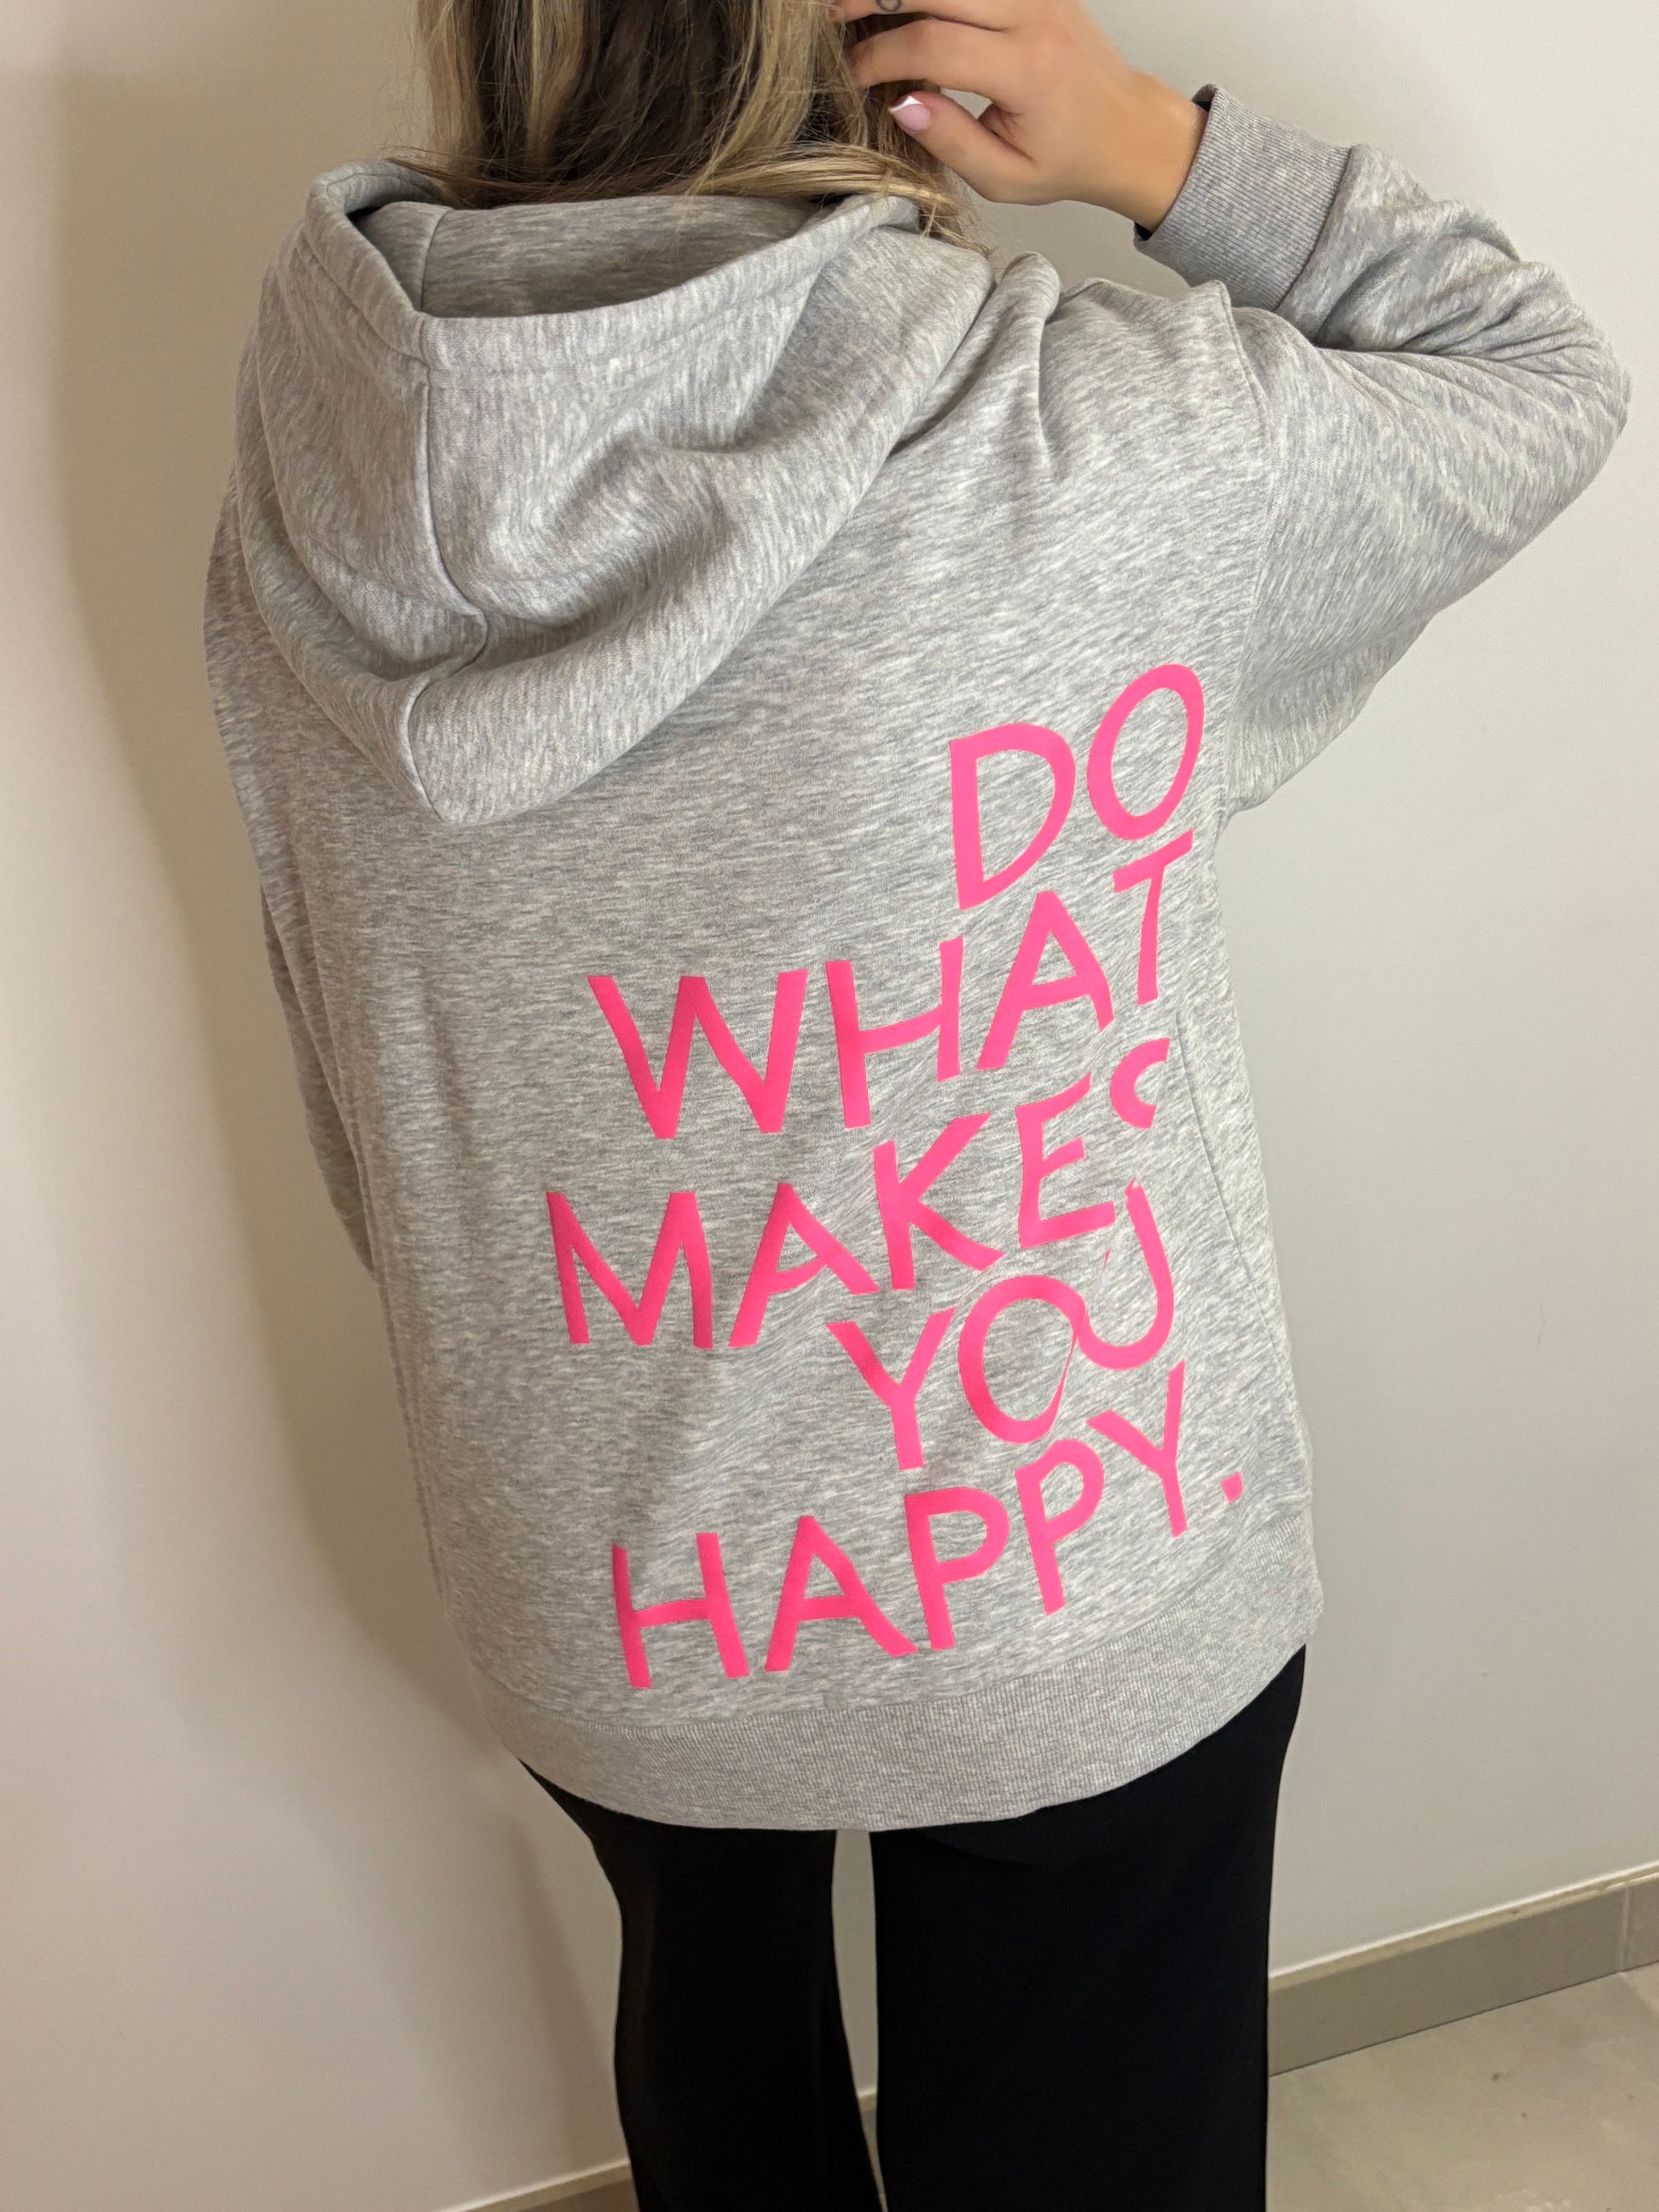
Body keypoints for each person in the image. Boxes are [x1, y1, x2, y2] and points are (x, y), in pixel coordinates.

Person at [201, 2, 1629, 2204]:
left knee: (724, 2085)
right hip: (1069, 1567)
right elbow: (1532, 373)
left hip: (607, 1563)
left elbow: (350, 1042)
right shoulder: (1085, 434)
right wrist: (1150, 142)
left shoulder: (323, 450)